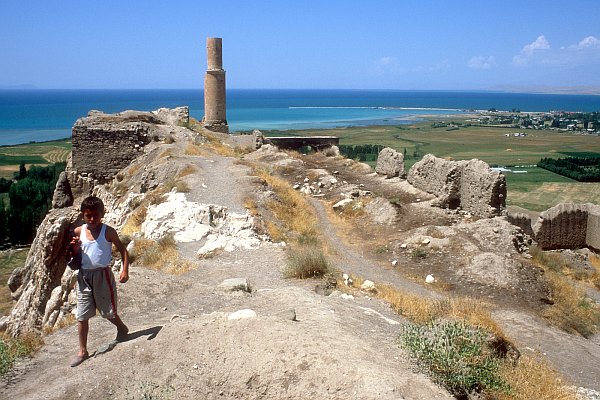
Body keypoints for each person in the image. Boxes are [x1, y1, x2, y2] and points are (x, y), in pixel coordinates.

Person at [69, 196, 130, 367]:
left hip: (102, 276)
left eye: (96, 215)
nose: (92, 219)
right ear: (83, 215)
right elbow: (72, 254)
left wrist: (125, 270)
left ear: (102, 214)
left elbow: (123, 250)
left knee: (108, 311)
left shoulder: (108, 231)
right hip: (83, 277)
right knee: (81, 315)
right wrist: (73, 248)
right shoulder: (79, 231)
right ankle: (82, 351)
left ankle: (122, 328)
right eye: (88, 216)